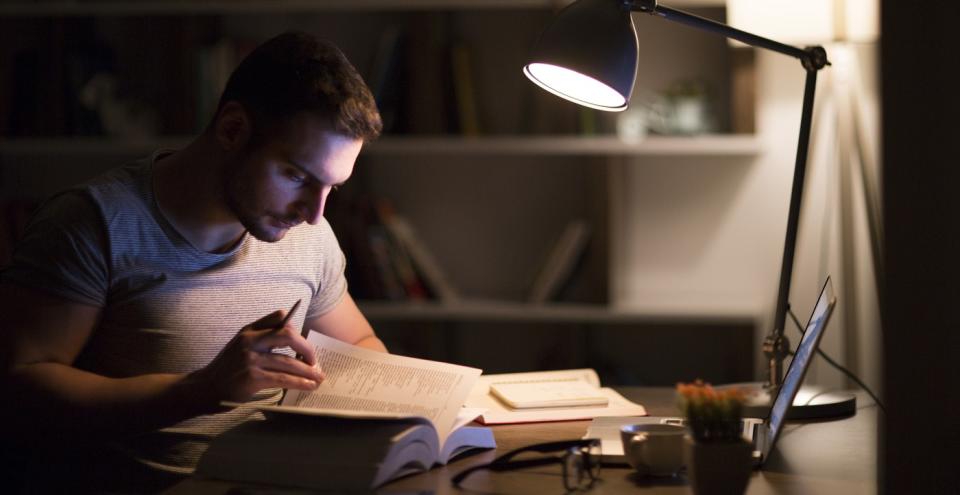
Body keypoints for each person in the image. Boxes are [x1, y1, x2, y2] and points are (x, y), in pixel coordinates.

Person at [0, 31, 386, 493]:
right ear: (232, 129)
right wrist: (200, 391)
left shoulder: (310, 233)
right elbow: (20, 390)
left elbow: (360, 341)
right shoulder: (92, 224)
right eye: (297, 176)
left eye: (333, 188)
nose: (315, 213)